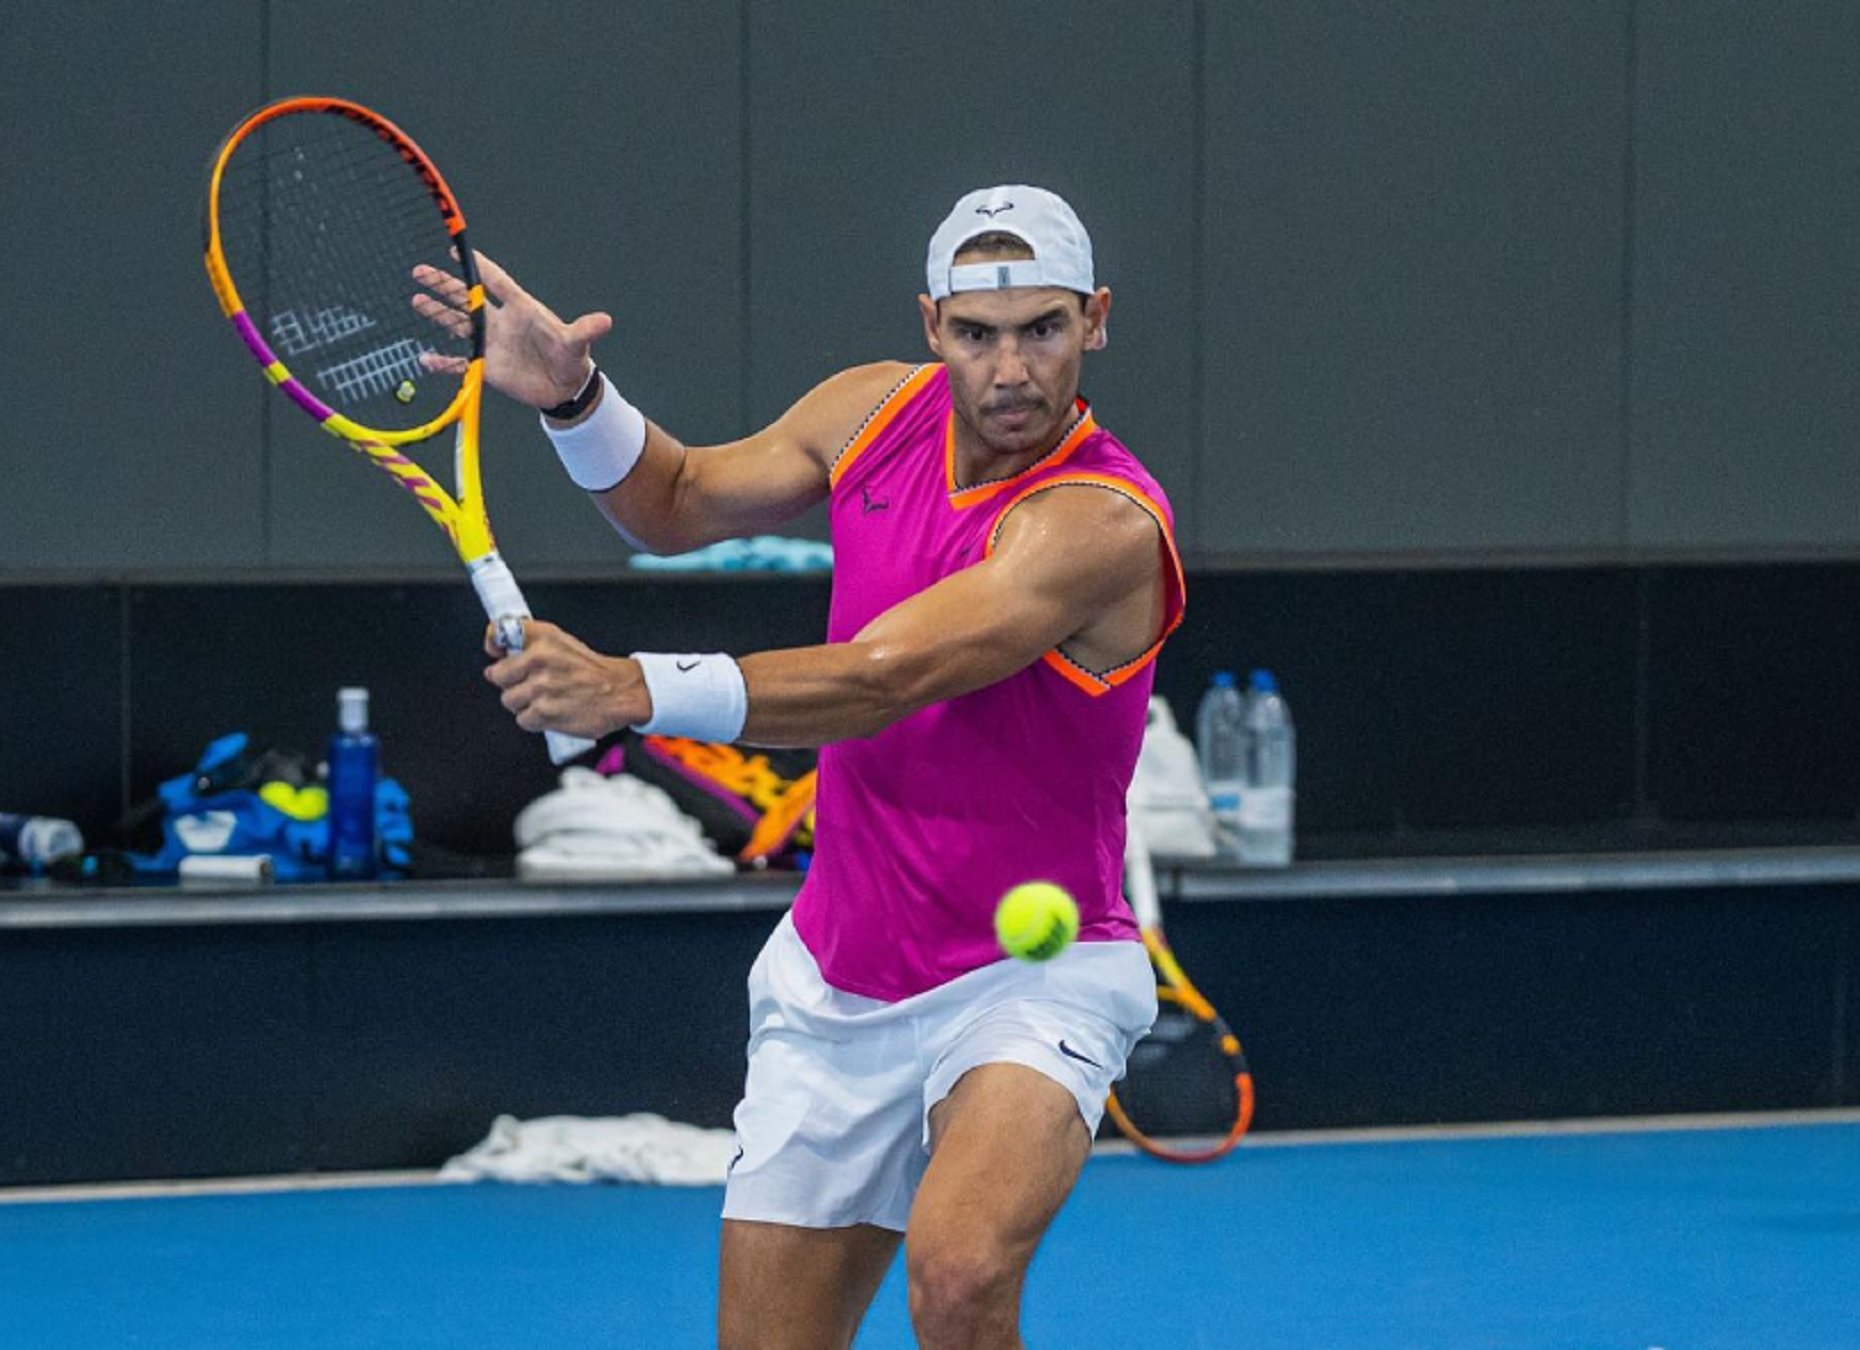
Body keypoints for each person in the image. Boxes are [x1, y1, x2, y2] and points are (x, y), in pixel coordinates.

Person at [417, 184, 1186, 1349]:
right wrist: (575, 398)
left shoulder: (1103, 522)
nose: (1012, 368)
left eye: (1045, 328)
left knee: (962, 1272)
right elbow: (672, 502)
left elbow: (883, 676)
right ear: (932, 325)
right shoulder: (869, 412)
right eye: (979, 334)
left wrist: (634, 689)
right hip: (838, 980)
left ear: (1098, 320)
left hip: (1038, 976)